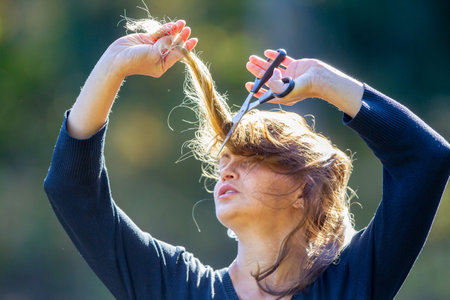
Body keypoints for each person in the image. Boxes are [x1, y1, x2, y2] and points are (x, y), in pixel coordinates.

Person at [43, 18, 450, 300]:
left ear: (302, 188)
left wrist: (325, 82)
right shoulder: (178, 287)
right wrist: (113, 66)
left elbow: (424, 161)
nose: (227, 169)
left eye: (252, 158)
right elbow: (71, 190)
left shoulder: (353, 284)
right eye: (224, 161)